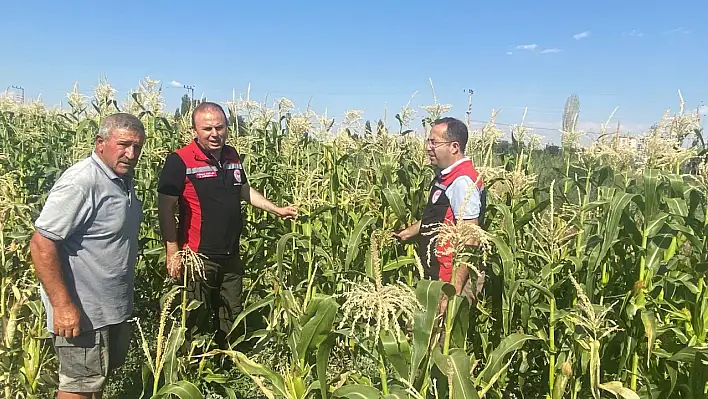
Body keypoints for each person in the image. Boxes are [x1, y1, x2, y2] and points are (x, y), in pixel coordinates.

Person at [157, 102, 297, 349]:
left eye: (220, 128)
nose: (214, 134)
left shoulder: (231, 156)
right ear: (194, 131)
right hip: (197, 256)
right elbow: (165, 207)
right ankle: (194, 368)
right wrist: (172, 251)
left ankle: (229, 365)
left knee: (232, 313)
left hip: (230, 254)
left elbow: (243, 190)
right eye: (207, 128)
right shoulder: (180, 161)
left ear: (227, 129)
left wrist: (276, 209)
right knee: (195, 317)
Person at [29, 113, 146, 398]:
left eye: (137, 147)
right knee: (78, 389)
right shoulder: (83, 182)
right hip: (83, 311)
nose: (130, 154)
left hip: (109, 309)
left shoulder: (120, 178)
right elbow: (42, 243)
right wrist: (63, 306)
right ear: (100, 143)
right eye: (123, 144)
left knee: (94, 383)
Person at [394, 117, 487, 308]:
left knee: (433, 334)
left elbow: (471, 239)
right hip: (437, 273)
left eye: (434, 142)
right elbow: (440, 216)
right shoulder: (446, 176)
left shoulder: (462, 182)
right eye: (428, 141)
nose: (428, 147)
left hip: (449, 276)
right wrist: (409, 232)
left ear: (454, 147)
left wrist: (453, 289)